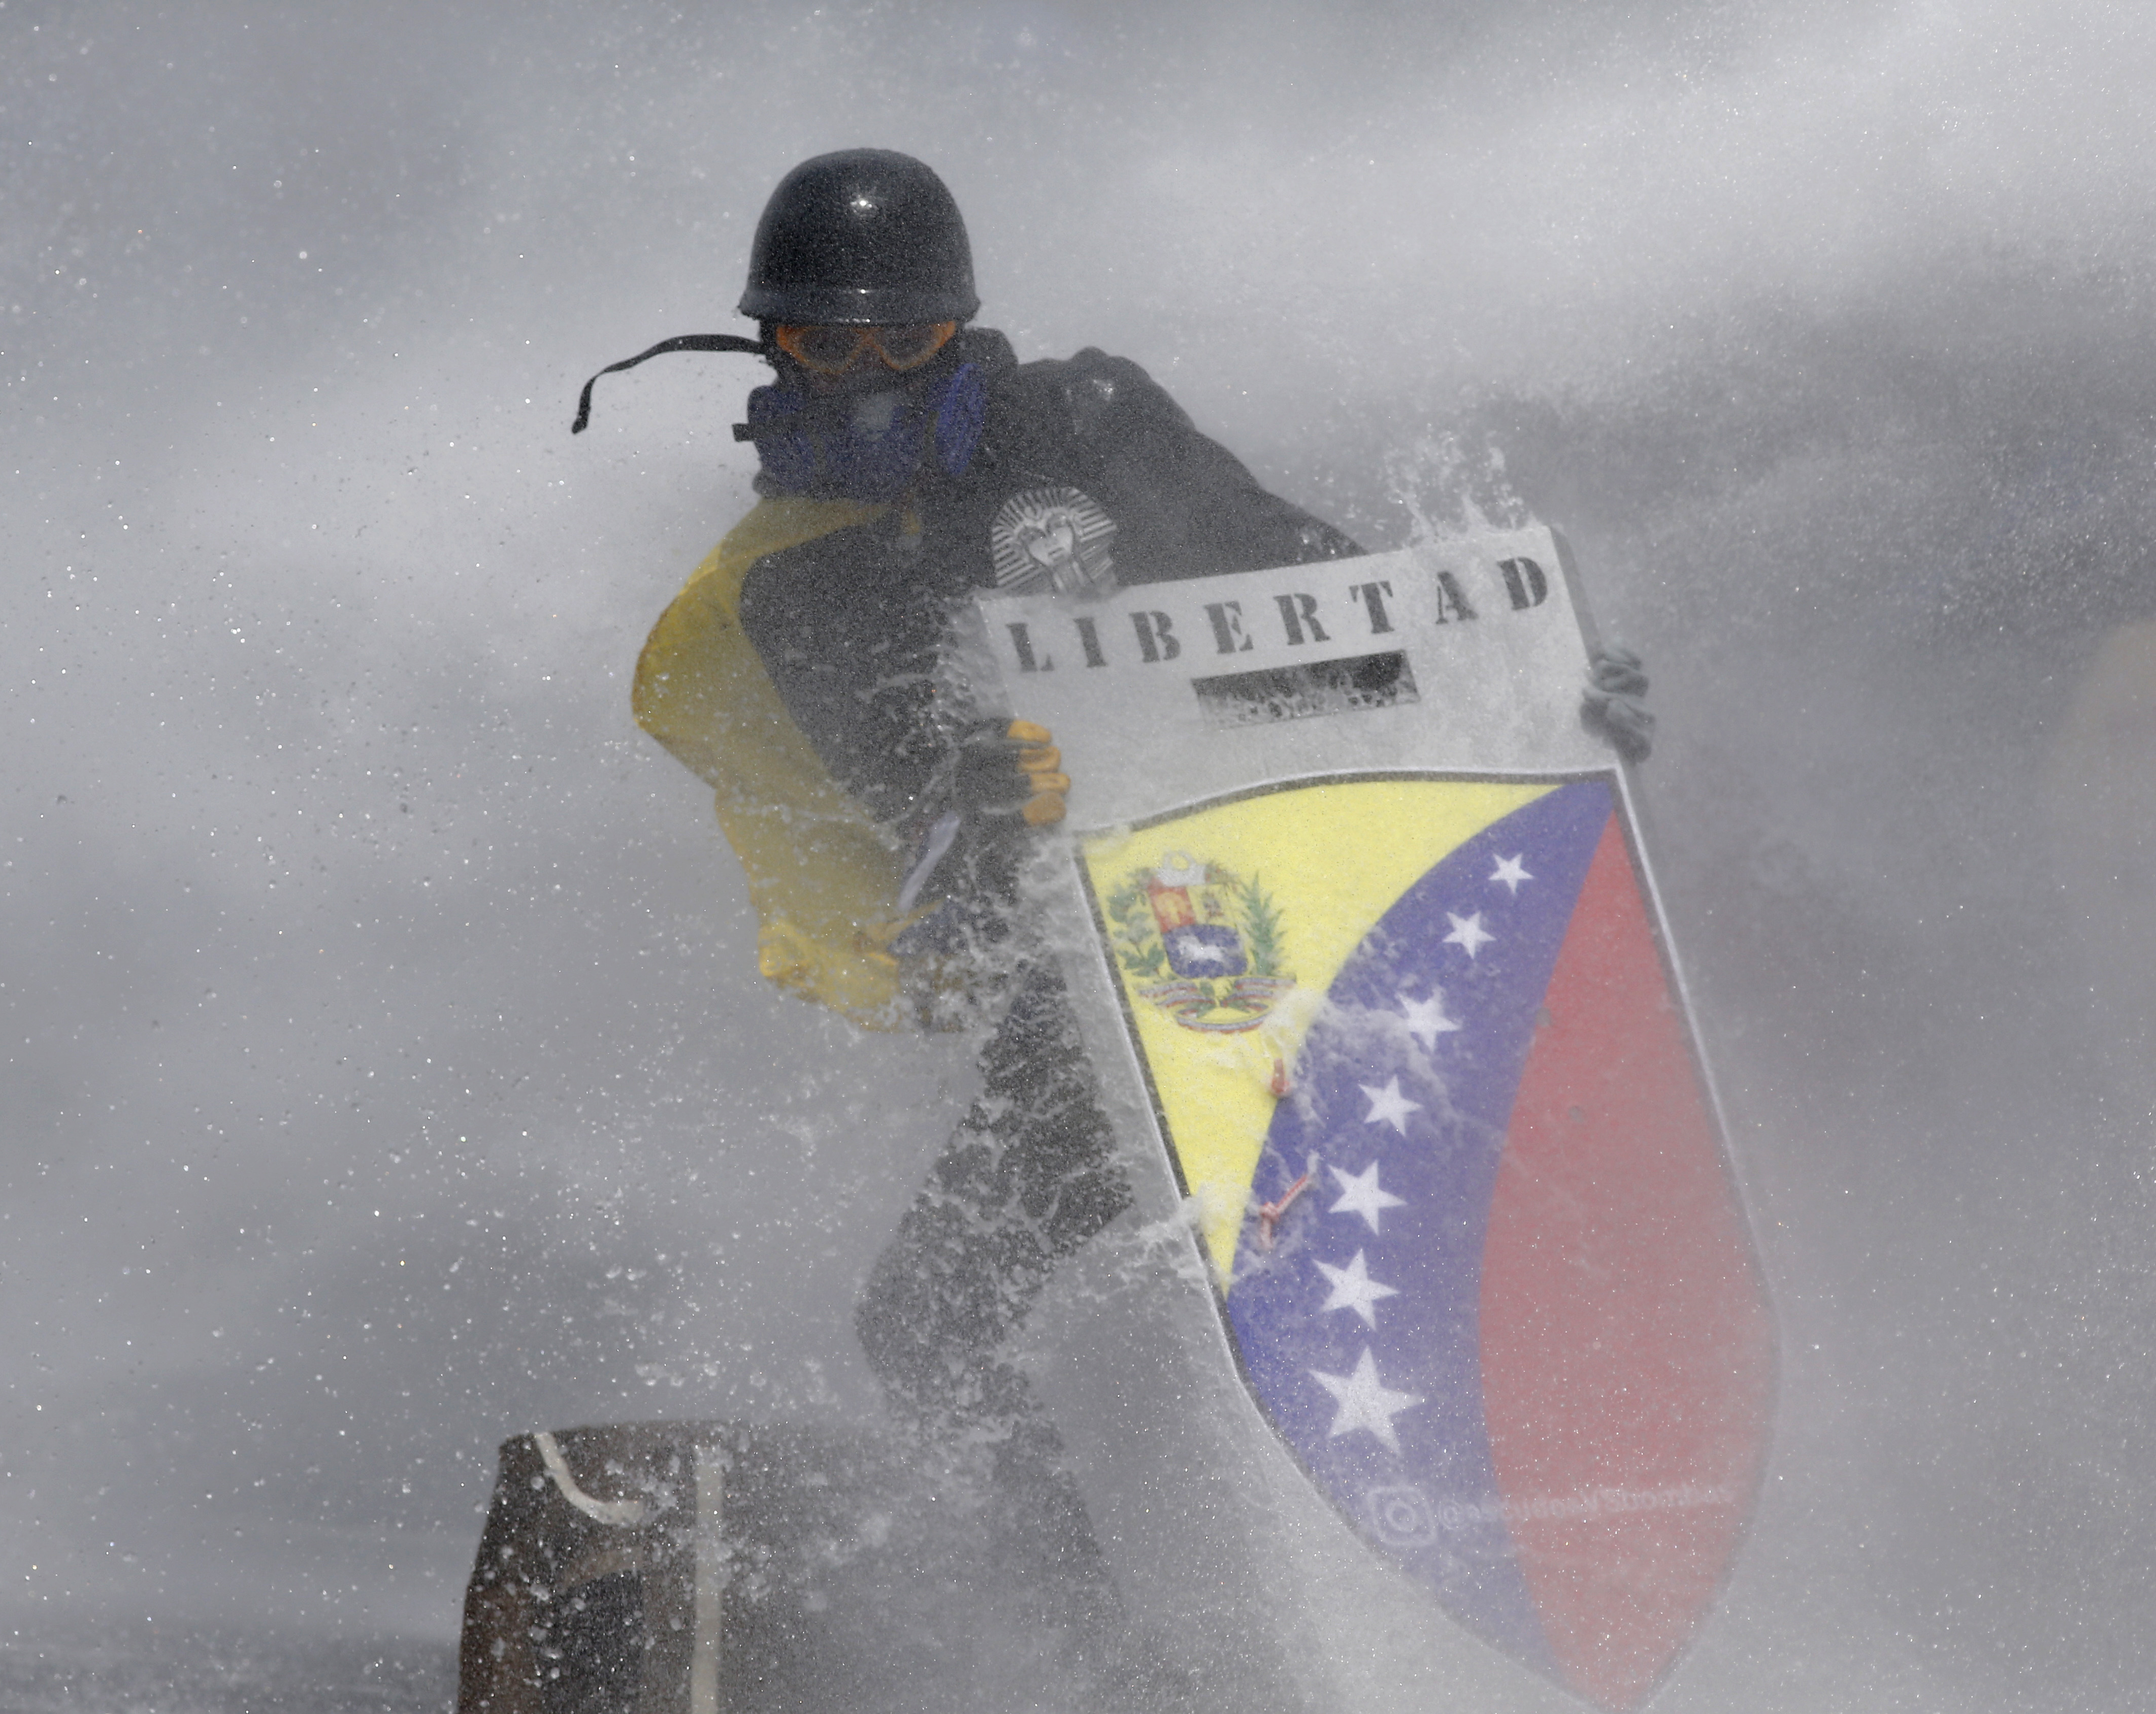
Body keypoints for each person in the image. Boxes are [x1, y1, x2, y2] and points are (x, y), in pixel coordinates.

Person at [576, 147, 1650, 1663]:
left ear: (961, 327)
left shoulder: (1079, 422)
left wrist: (1542, 696)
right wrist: (971, 804)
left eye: (905, 337)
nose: (872, 374)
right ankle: (1101, 1664)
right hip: (1111, 989)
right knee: (928, 1323)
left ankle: (1537, 1489)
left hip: (1325, 906)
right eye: (831, 342)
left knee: (1341, 1235)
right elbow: (932, 889)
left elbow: (1341, 600)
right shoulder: (795, 594)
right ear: (773, 352)